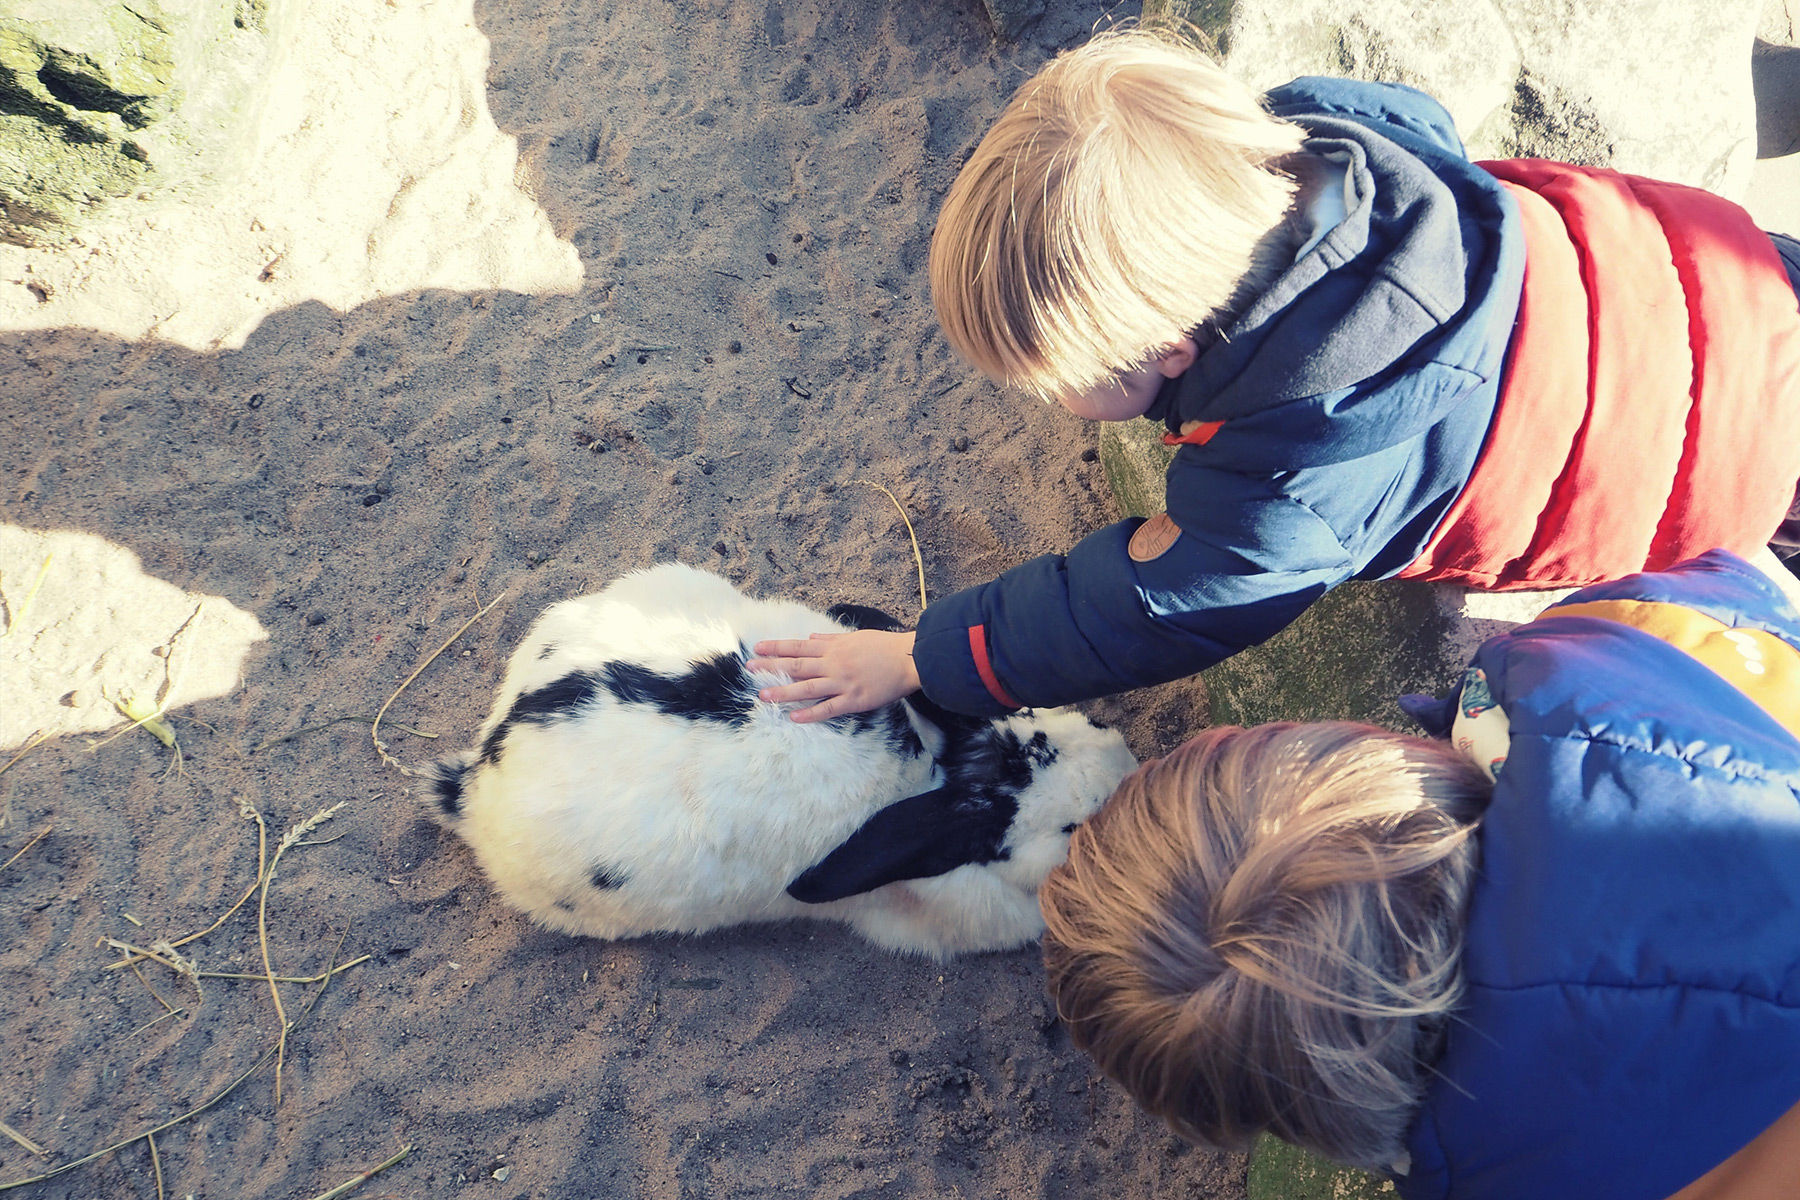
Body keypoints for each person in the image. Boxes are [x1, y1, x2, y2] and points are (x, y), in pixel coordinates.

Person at [746, 27, 1800, 722]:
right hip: (1743, 286)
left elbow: (1141, 609)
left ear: (1169, 354)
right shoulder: (1349, 141)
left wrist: (927, 659)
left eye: (1062, 380)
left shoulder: (1293, 474)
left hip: (1751, 467)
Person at [1035, 548, 1800, 1200]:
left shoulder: (1501, 1170)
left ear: (1310, 1105)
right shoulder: (1581, 655)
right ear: (1349, 755)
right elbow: (1734, 581)